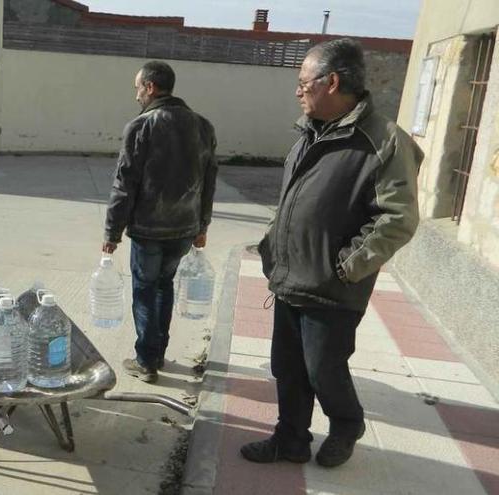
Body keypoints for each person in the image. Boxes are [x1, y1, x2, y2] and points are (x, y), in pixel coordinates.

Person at [242, 38, 423, 468]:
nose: (298, 90)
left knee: (324, 369)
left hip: (333, 285)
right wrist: (273, 245)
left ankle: (346, 425)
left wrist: (348, 265)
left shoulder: (384, 140)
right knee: (287, 368)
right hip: (290, 275)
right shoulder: (308, 133)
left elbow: (398, 218)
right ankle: (290, 440)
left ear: (332, 81)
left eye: (304, 82)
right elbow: (293, 201)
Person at [102, 60, 218, 384]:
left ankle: (146, 360)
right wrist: (202, 226)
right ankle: (158, 352)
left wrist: (112, 230)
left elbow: (124, 184)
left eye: (138, 88)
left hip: (149, 229)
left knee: (144, 289)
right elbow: (210, 182)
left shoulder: (141, 126)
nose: (137, 94)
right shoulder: (203, 126)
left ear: (151, 87)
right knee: (163, 286)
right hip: (184, 228)